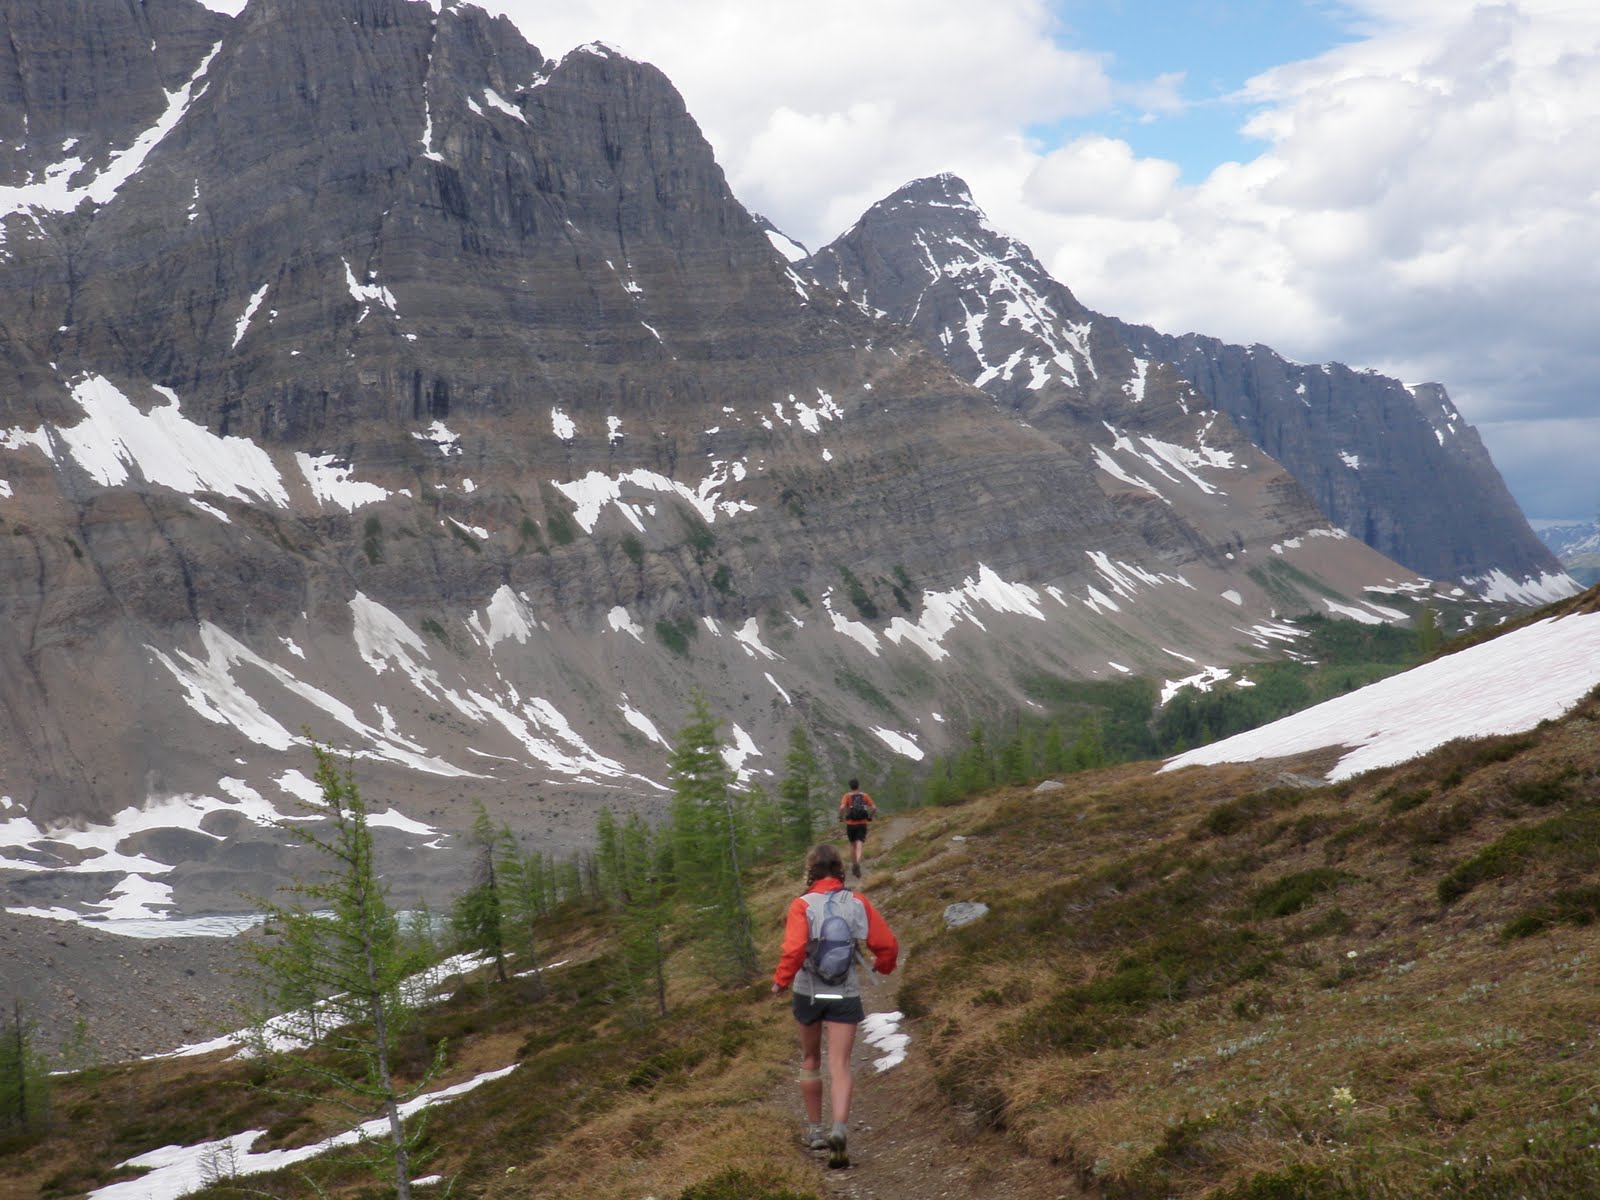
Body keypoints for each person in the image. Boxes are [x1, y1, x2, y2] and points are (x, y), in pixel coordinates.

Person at [770, 843, 898, 1169]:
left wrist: (781, 981)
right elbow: (887, 945)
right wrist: (882, 966)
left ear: (811, 869)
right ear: (839, 867)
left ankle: (815, 1131)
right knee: (840, 1064)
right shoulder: (858, 902)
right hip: (844, 993)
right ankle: (839, 1128)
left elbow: (795, 948)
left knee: (811, 1059)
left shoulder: (801, 905)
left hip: (808, 993)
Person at [838, 778, 877, 878]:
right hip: (862, 823)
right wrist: (870, 817)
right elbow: (874, 808)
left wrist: (841, 817)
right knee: (860, 843)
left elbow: (842, 807)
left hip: (850, 824)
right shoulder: (864, 796)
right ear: (858, 786)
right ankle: (858, 862)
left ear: (850, 786)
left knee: (852, 845)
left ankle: (854, 863)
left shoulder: (847, 796)